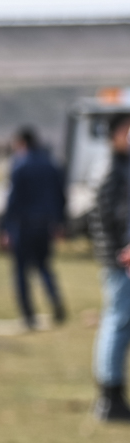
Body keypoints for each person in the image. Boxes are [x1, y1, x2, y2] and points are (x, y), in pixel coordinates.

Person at [0, 126, 66, 330]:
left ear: (21, 143)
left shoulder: (20, 164)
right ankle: (57, 306)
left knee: (21, 271)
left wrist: (4, 228)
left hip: (23, 225)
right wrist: (60, 222)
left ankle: (28, 315)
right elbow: (61, 196)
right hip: (45, 224)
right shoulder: (51, 164)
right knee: (44, 266)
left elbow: (12, 199)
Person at [94, 115, 130, 421]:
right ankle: (109, 397)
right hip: (120, 261)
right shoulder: (110, 168)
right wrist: (122, 251)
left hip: (121, 256)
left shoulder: (122, 165)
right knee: (118, 322)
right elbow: (110, 217)